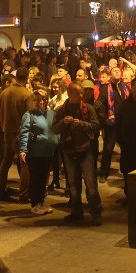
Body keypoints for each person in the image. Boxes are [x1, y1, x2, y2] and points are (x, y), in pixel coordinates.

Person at [54, 83, 102, 225]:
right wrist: (64, 122)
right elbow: (55, 129)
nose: (81, 96)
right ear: (69, 94)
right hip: (69, 151)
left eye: (81, 93)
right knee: (73, 185)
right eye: (77, 94)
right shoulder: (61, 110)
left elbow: (96, 126)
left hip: (85, 150)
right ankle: (76, 212)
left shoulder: (88, 108)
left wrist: (80, 124)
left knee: (90, 184)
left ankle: (96, 213)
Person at [0, 67, 33, 202]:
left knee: (5, 162)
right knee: (25, 164)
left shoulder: (5, 92)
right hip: (20, 133)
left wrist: (4, 125)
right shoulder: (26, 94)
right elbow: (30, 116)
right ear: (27, 77)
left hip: (7, 132)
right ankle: (23, 195)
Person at [19, 88, 57, 215]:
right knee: (35, 178)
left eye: (39, 100)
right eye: (34, 100)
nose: (36, 102)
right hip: (35, 152)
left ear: (46, 101)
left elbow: (55, 129)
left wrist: (56, 141)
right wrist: (23, 149)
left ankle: (41, 202)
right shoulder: (29, 115)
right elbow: (24, 133)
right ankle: (35, 203)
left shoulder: (51, 114)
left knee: (43, 178)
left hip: (48, 152)